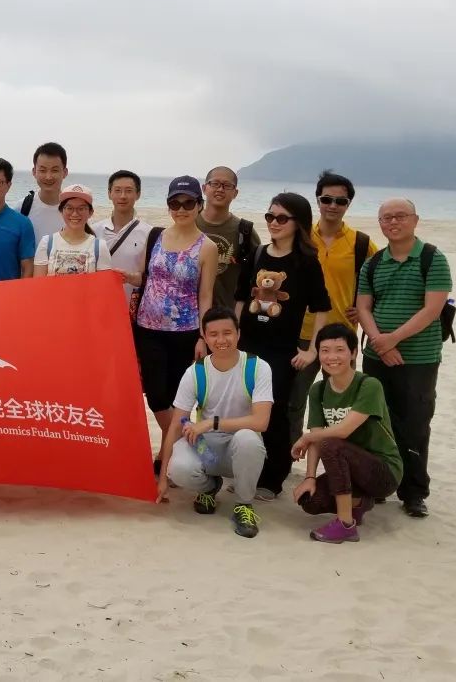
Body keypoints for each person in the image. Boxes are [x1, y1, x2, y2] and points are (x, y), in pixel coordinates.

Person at [355, 198, 451, 518]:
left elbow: (432, 309)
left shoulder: (432, 258)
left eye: (400, 216)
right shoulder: (373, 263)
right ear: (380, 223)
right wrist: (381, 344)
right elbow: (363, 307)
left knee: (415, 424)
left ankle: (413, 491)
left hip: (419, 358)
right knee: (376, 420)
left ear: (415, 220)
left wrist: (392, 339)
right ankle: (379, 482)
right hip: (376, 355)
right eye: (386, 218)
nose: (393, 222)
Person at [234, 192, 330, 500]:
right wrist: (234, 336)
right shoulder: (258, 253)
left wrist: (312, 350)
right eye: (270, 216)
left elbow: (321, 307)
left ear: (298, 223)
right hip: (248, 346)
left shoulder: (307, 262)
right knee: (244, 408)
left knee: (274, 413)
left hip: (281, 351)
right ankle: (247, 469)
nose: (274, 223)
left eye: (281, 218)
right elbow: (241, 297)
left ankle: (273, 477)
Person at [125, 177, 218, 471]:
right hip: (148, 329)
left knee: (178, 398)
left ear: (199, 205)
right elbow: (146, 277)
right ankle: (188, 441)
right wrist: (121, 276)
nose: (181, 209)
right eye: (175, 203)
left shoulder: (208, 247)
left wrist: (203, 337)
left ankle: (167, 456)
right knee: (155, 397)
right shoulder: (155, 236)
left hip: (185, 332)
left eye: (188, 203)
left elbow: (206, 295)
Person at [159, 307, 271, 538]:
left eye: (227, 333)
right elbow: (176, 424)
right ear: (205, 337)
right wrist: (162, 479)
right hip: (207, 448)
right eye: (213, 334)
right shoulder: (195, 372)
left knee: (248, 439)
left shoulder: (258, 367)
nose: (221, 340)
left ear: (238, 334)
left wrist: (212, 423)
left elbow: (261, 422)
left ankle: (243, 504)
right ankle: (210, 487)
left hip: (239, 449)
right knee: (178, 468)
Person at [291, 323, 402, 543]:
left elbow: (343, 431)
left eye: (339, 350)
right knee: (311, 501)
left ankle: (345, 524)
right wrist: (310, 477)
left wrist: (306, 437)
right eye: (325, 350)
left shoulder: (369, 385)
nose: (332, 357)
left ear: (353, 352)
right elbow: (317, 435)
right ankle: (359, 503)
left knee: (331, 443)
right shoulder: (318, 390)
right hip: (349, 467)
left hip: (383, 472)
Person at [288, 171, 378, 442]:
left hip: (341, 335)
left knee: (340, 406)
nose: (333, 206)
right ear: (317, 200)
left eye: (341, 201)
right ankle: (290, 451)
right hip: (301, 333)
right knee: (293, 402)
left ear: (348, 204)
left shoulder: (361, 243)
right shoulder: (299, 237)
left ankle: (339, 456)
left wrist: (365, 308)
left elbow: (380, 282)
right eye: (327, 199)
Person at [197, 166, 261, 311]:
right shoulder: (190, 223)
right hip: (188, 314)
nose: (220, 189)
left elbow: (258, 275)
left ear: (235, 193)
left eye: (227, 185)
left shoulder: (245, 231)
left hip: (227, 315)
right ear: (204, 188)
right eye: (215, 184)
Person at [93, 170, 153, 305]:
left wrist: (131, 277)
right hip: (98, 304)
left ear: (138, 194)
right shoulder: (94, 230)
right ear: (109, 194)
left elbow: (150, 277)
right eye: (117, 190)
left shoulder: (149, 233)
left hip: (131, 307)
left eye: (129, 191)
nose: (123, 196)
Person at [33, 184, 113, 277]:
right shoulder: (46, 243)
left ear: (90, 212)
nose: (75, 214)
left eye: (81, 208)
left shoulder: (100, 247)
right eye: (69, 208)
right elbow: (39, 283)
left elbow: (103, 284)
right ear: (61, 211)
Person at [20, 142, 68, 244]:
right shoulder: (22, 208)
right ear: (34, 172)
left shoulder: (75, 210)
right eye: (42, 170)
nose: (48, 177)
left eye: (54, 170)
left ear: (65, 172)